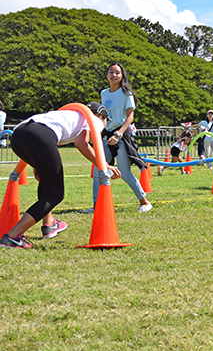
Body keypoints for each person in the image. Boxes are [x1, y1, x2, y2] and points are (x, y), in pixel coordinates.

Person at [1, 102, 121, 248]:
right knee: (55, 194)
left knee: (47, 184)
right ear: (101, 115)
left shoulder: (69, 114)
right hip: (40, 135)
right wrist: (104, 164)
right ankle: (12, 237)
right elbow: (81, 143)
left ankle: (49, 224)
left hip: (19, 135)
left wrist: (36, 163)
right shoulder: (93, 118)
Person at [98, 62, 153, 212]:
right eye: (111, 72)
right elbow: (103, 116)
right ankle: (97, 207)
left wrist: (118, 134)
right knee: (100, 171)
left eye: (117, 73)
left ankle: (145, 202)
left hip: (121, 135)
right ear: (107, 75)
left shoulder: (126, 94)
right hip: (106, 135)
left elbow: (130, 117)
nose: (113, 75)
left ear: (122, 76)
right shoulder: (104, 93)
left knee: (124, 172)